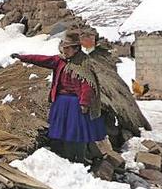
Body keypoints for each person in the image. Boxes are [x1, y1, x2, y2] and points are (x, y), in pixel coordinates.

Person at [11, 31, 106, 163]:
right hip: (61, 102)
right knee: (63, 132)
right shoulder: (60, 60)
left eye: (68, 48)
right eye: (64, 47)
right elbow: (42, 59)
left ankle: (79, 159)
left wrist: (84, 103)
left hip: (75, 103)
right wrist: (23, 57)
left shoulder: (84, 64)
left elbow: (87, 85)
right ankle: (65, 158)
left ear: (76, 48)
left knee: (77, 133)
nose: (64, 50)